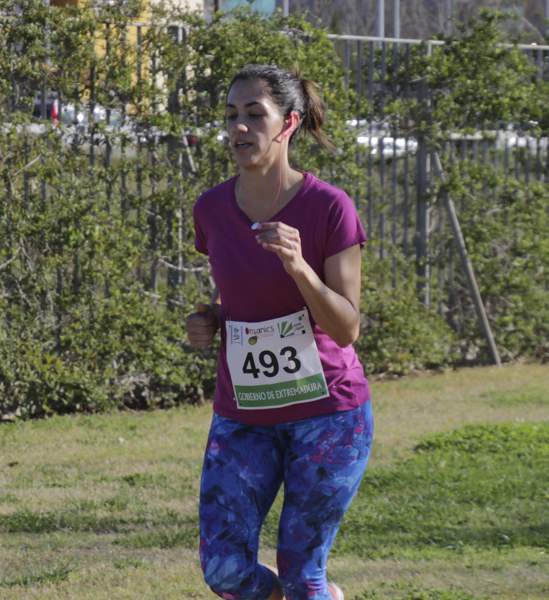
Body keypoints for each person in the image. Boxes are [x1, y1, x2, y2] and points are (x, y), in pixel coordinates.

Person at [184, 64, 373, 600]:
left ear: (288, 124)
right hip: (245, 413)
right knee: (224, 571)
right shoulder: (213, 210)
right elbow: (244, 296)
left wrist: (299, 266)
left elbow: (347, 326)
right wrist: (213, 320)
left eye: (253, 115)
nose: (238, 128)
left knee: (301, 574)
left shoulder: (328, 208)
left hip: (328, 415)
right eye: (230, 116)